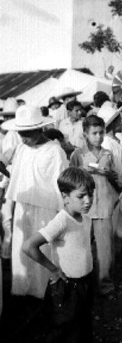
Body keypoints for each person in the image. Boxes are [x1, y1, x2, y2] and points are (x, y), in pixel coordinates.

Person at [22, 167, 95, 343]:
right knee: (63, 332)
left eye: (91, 195)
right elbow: (29, 246)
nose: (88, 201)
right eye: (81, 196)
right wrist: (53, 269)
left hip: (84, 283)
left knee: (82, 327)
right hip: (67, 288)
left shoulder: (86, 219)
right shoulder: (62, 221)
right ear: (65, 197)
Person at [1, 105, 68, 298]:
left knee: (43, 249)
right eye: (22, 133)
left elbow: (62, 182)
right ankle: (23, 289)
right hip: (24, 206)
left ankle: (45, 291)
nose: (24, 138)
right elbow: (16, 175)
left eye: (28, 133)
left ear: (40, 129)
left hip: (47, 209)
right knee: (22, 248)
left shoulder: (55, 151)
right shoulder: (22, 148)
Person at [70, 115, 122, 297]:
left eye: (101, 133)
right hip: (84, 209)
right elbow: (69, 179)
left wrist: (109, 175)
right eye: (94, 133)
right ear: (85, 134)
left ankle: (105, 285)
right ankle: (81, 284)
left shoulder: (108, 154)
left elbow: (117, 178)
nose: (98, 137)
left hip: (104, 206)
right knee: (81, 246)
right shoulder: (78, 155)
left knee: (105, 249)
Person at [97, 103, 122, 255]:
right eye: (119, 120)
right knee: (116, 221)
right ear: (112, 123)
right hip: (115, 188)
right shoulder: (107, 142)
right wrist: (117, 183)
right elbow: (104, 168)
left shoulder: (117, 140)